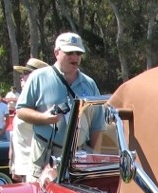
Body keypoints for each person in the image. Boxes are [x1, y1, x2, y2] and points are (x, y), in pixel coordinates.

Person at [16, 32, 104, 179]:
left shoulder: (89, 84)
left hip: (79, 158)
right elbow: (21, 111)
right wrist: (44, 118)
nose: (75, 57)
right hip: (45, 158)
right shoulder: (38, 77)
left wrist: (95, 160)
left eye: (78, 53)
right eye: (69, 52)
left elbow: (97, 126)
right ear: (57, 52)